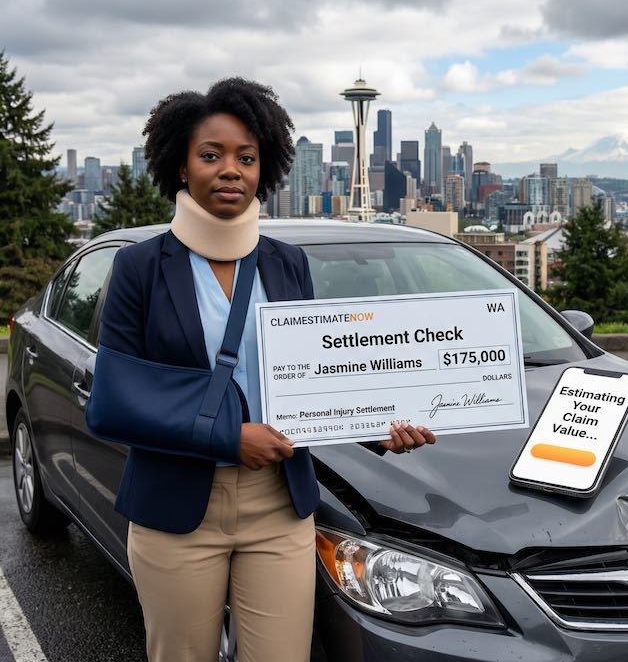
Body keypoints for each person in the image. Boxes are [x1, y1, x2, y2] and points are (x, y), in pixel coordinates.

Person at [95, 77, 436, 662]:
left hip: (278, 506)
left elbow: (311, 381)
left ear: (265, 170)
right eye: (211, 155)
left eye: (246, 158)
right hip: (176, 510)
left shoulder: (287, 264)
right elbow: (115, 401)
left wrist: (376, 425)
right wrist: (230, 437)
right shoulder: (139, 268)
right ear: (180, 166)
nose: (231, 170)